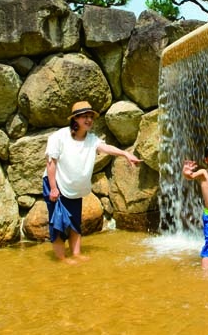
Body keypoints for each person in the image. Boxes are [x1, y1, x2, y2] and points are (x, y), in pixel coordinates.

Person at [43, 101, 142, 264]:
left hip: (74, 189)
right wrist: (53, 188)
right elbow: (51, 163)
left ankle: (76, 254)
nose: (89, 120)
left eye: (91, 117)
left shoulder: (91, 139)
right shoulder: (59, 137)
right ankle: (61, 259)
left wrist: (125, 154)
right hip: (56, 185)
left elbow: (106, 148)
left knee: (75, 222)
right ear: (75, 119)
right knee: (58, 224)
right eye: (84, 117)